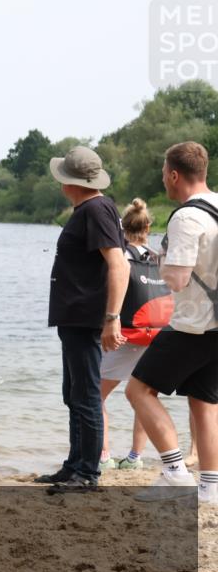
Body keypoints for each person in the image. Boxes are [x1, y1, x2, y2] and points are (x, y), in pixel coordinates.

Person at [126, 142, 218, 503]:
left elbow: (177, 279)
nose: (163, 179)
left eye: (164, 173)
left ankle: (175, 470)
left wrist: (160, 257)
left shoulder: (185, 217)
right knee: (204, 401)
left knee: (138, 390)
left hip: (192, 325)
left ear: (175, 175)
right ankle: (211, 487)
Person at [35, 146, 127, 493]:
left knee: (86, 394)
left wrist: (112, 318)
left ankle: (88, 473)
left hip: (87, 316)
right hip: (75, 316)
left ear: (68, 182)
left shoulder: (97, 209)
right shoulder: (91, 209)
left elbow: (119, 264)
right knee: (73, 393)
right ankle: (74, 465)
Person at [100, 199, 172, 470]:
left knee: (96, 395)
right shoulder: (157, 257)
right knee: (145, 396)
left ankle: (103, 456)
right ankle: (134, 457)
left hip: (127, 335)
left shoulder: (122, 257)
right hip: (156, 334)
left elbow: (111, 293)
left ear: (121, 229)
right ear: (148, 227)